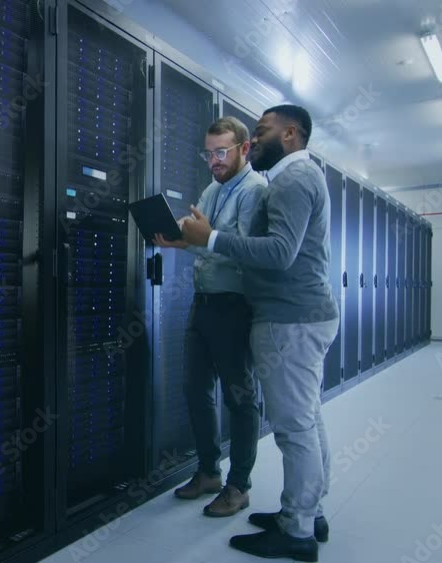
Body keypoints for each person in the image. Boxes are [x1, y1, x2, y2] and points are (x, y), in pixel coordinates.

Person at [178, 104, 339, 562]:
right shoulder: (295, 178)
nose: (255, 140)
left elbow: (281, 252)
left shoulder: (292, 179)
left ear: (290, 134)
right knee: (306, 417)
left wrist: (208, 239)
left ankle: (298, 530)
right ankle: (309, 511)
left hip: (292, 317)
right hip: (299, 314)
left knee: (294, 426)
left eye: (262, 132)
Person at [154, 116, 267, 518]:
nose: (214, 160)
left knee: (240, 397)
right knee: (195, 389)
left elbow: (244, 249)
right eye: (209, 153)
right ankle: (208, 472)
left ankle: (239, 485)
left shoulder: (255, 191)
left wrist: (195, 241)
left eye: (222, 152)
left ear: (244, 149)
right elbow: (200, 235)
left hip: (234, 305)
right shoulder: (212, 188)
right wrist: (176, 237)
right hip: (202, 303)